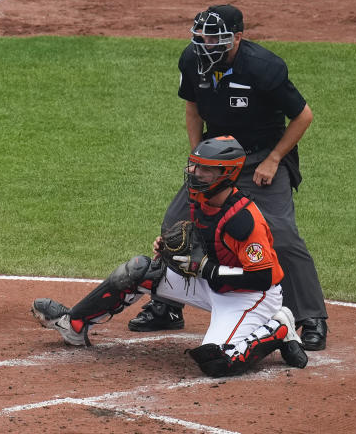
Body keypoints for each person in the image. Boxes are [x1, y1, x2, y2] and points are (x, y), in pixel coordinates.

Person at [129, 4, 329, 351]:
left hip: (262, 157)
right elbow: (192, 109)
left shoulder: (264, 67)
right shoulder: (191, 60)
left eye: (215, 38)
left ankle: (309, 317)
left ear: (237, 37)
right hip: (218, 160)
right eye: (201, 37)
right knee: (176, 224)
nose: (206, 44)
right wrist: (198, 160)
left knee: (280, 234)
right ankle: (167, 306)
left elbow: (303, 116)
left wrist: (274, 160)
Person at [32, 136, 308, 377]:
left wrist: (207, 268)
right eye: (195, 165)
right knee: (139, 270)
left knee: (216, 362)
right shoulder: (199, 197)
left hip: (251, 296)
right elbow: (202, 237)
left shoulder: (244, 221)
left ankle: (278, 328)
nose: (195, 172)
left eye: (204, 170)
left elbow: (262, 277)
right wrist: (169, 248)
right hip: (212, 284)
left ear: (226, 173)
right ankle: (74, 325)